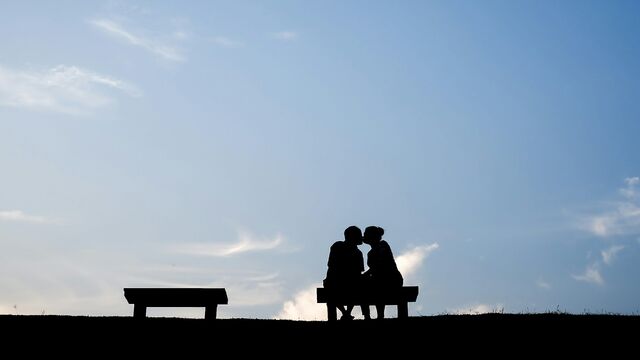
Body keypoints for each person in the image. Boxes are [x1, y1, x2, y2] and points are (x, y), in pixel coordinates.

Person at [323, 225, 365, 320]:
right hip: (344, 283)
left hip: (336, 282)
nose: (361, 237)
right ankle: (346, 313)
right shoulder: (357, 253)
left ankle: (345, 313)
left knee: (333, 289)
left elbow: (330, 265)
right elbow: (358, 272)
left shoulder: (337, 246)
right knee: (356, 286)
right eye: (359, 235)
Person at [362, 226, 403, 319]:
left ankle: (379, 315)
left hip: (392, 279)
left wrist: (365, 275)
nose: (363, 235)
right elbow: (374, 268)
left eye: (365, 234)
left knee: (377, 285)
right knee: (368, 284)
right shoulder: (370, 253)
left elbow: (379, 265)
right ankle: (367, 315)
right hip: (379, 279)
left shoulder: (383, 245)